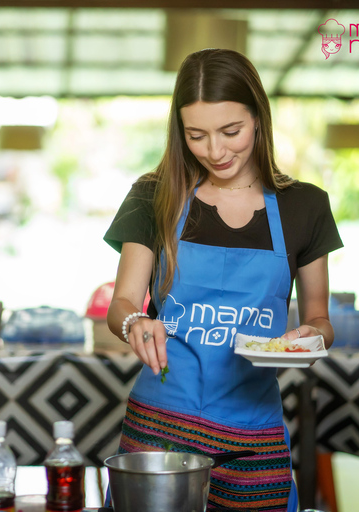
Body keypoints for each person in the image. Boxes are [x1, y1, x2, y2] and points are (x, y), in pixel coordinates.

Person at [104, 48, 342, 511]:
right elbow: (123, 302)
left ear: (258, 117)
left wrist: (310, 336)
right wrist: (135, 321)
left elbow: (320, 318)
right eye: (197, 135)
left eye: (230, 131)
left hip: (254, 437)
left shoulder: (304, 207)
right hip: (159, 429)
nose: (215, 151)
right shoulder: (154, 196)